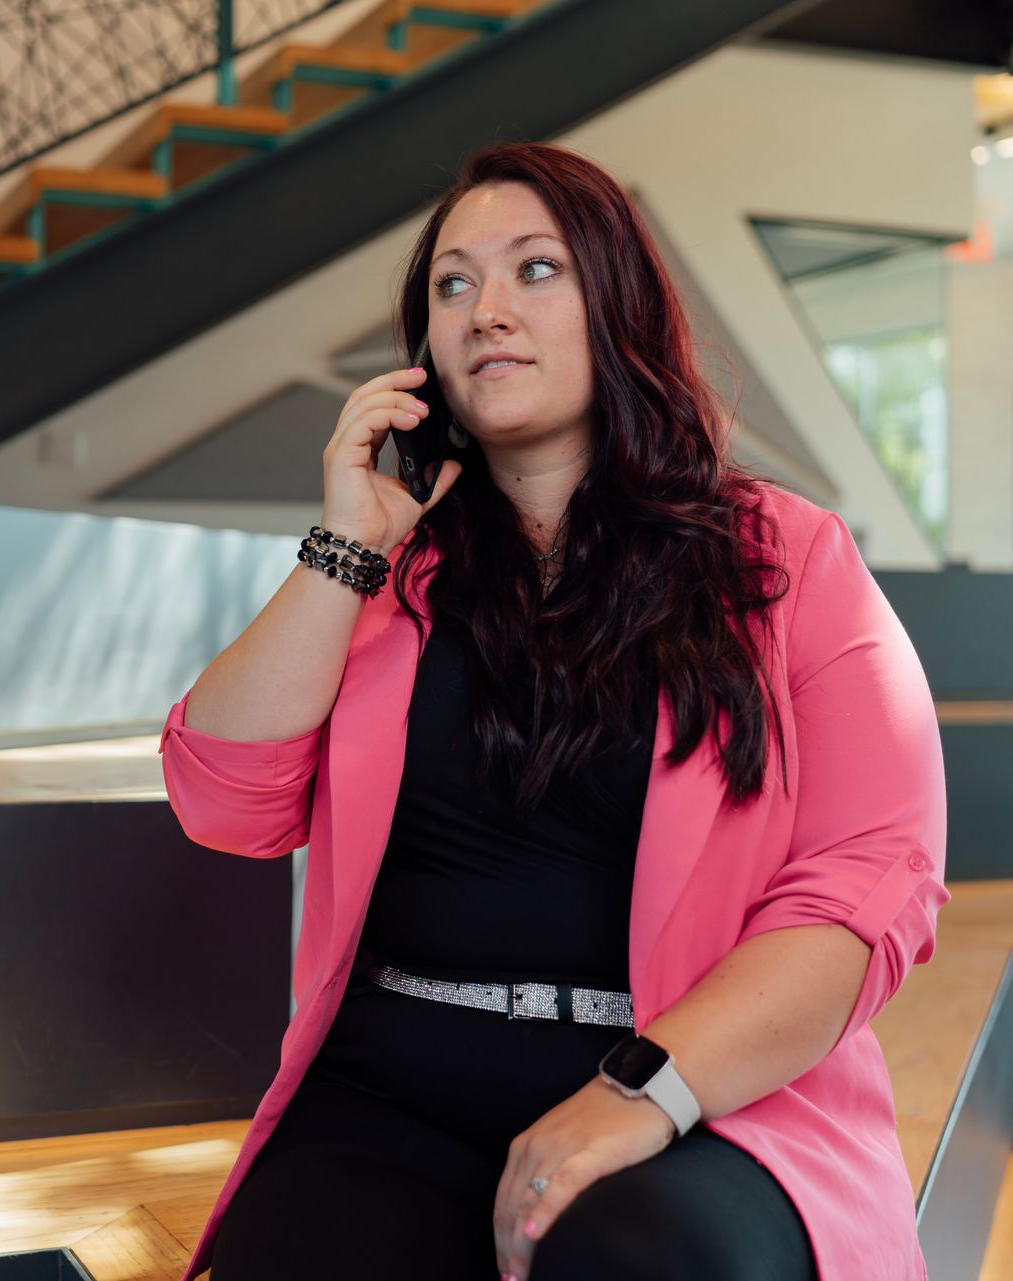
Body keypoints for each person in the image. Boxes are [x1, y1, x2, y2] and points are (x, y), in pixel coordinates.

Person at [157, 141, 949, 1280]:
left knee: (642, 1263)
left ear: (618, 303)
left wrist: (642, 1091)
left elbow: (874, 879)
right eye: (453, 283)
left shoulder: (784, 557)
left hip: (693, 1089)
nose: (487, 311)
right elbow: (220, 801)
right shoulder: (387, 573)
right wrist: (347, 547)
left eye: (537, 270)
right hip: (391, 1086)